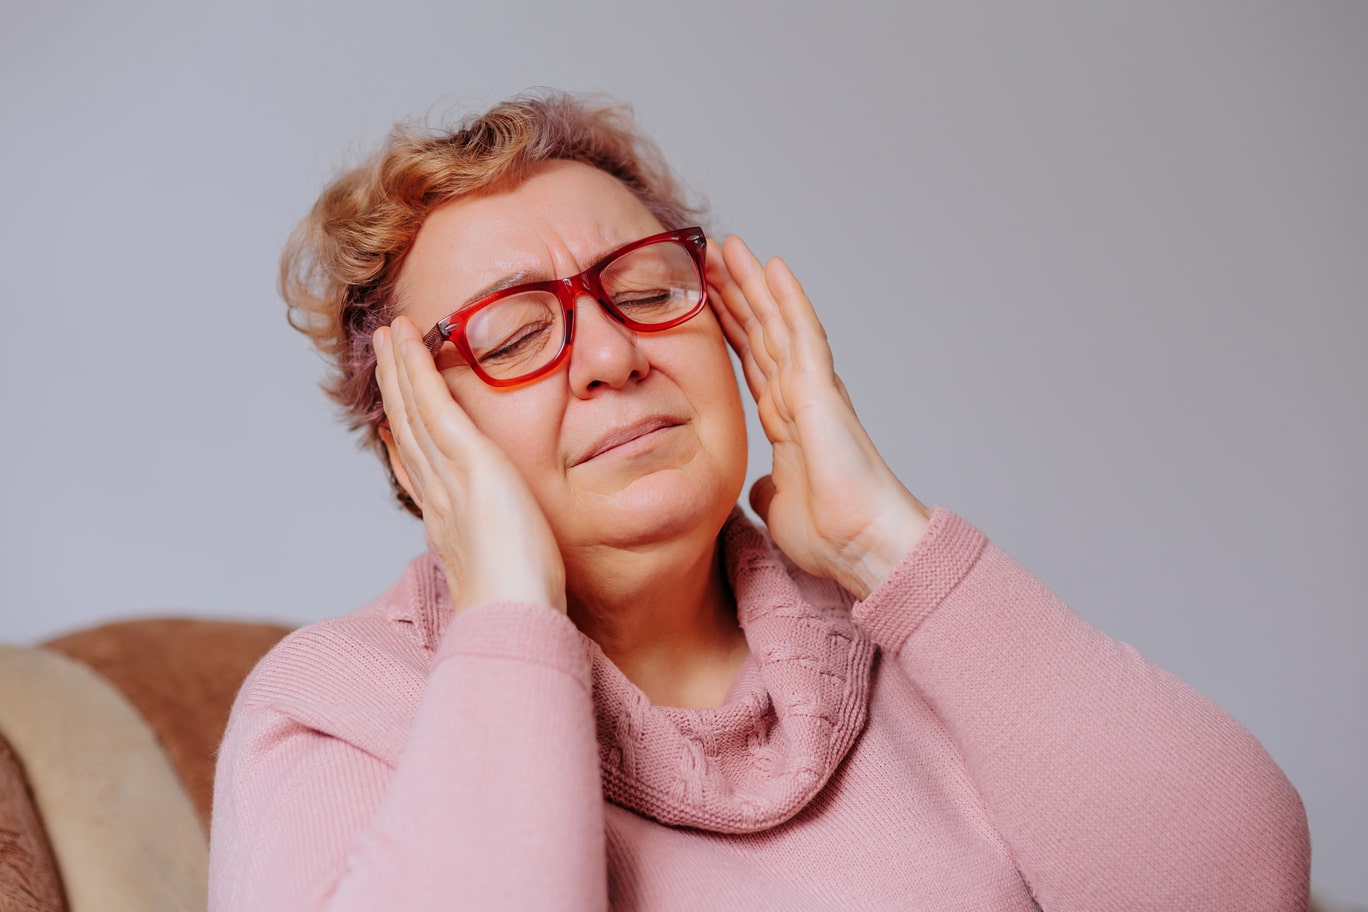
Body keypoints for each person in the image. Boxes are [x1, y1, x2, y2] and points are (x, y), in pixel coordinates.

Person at [209, 91, 1310, 910]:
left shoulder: (910, 638)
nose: (609, 354)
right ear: (414, 442)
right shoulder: (335, 707)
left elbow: (1241, 885)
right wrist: (507, 606)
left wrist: (886, 543)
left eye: (646, 292)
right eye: (515, 336)